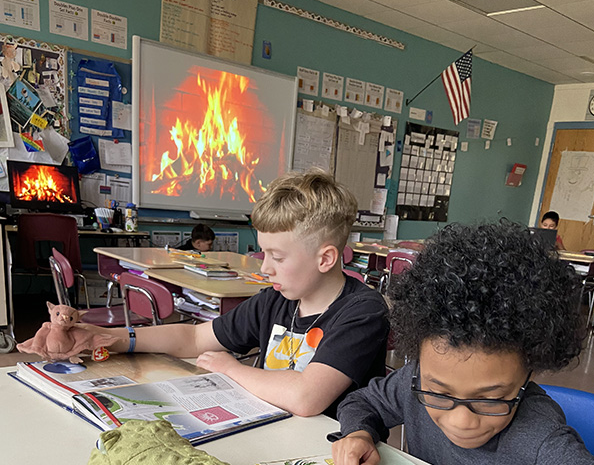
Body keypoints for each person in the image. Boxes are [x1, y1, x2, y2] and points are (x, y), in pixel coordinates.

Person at [330, 220, 594, 465]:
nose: (461, 421)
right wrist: (359, 432)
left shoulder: (544, 446)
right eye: (439, 393)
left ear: (528, 374)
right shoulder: (415, 381)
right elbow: (362, 401)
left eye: (490, 399)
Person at [84, 169, 389, 418]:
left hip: (329, 450)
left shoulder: (362, 311)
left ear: (325, 259)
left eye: (278, 258)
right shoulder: (277, 299)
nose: (265, 269)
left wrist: (232, 368)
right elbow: (192, 338)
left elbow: (306, 397)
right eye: (263, 253)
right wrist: (112, 339)